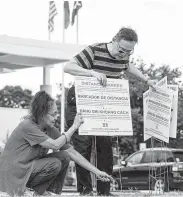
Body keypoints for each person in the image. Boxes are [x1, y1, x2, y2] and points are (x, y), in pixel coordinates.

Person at [64, 27, 156, 196]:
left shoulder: (125, 55)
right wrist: (91, 73)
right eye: (121, 50)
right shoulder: (94, 50)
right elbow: (68, 67)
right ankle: (85, 191)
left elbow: (128, 67)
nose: (124, 55)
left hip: (103, 103)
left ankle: (104, 191)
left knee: (105, 147)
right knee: (83, 146)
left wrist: (147, 80)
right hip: (80, 102)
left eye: (129, 51)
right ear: (114, 40)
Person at [0, 91, 112, 197]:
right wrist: (74, 126)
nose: (56, 117)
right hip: (12, 174)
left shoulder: (49, 128)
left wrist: (97, 172)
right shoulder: (27, 126)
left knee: (64, 156)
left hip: (27, 169)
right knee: (54, 163)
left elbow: (72, 152)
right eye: (53, 114)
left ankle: (49, 192)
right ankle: (29, 191)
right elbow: (55, 145)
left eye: (56, 114)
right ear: (41, 113)